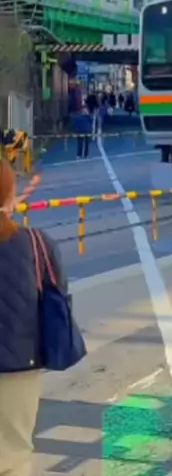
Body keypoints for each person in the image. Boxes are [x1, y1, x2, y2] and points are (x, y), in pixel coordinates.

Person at [0, 158, 68, 475]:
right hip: (20, 364)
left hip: (20, 363)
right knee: (13, 454)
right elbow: (58, 292)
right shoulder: (35, 243)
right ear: (10, 196)